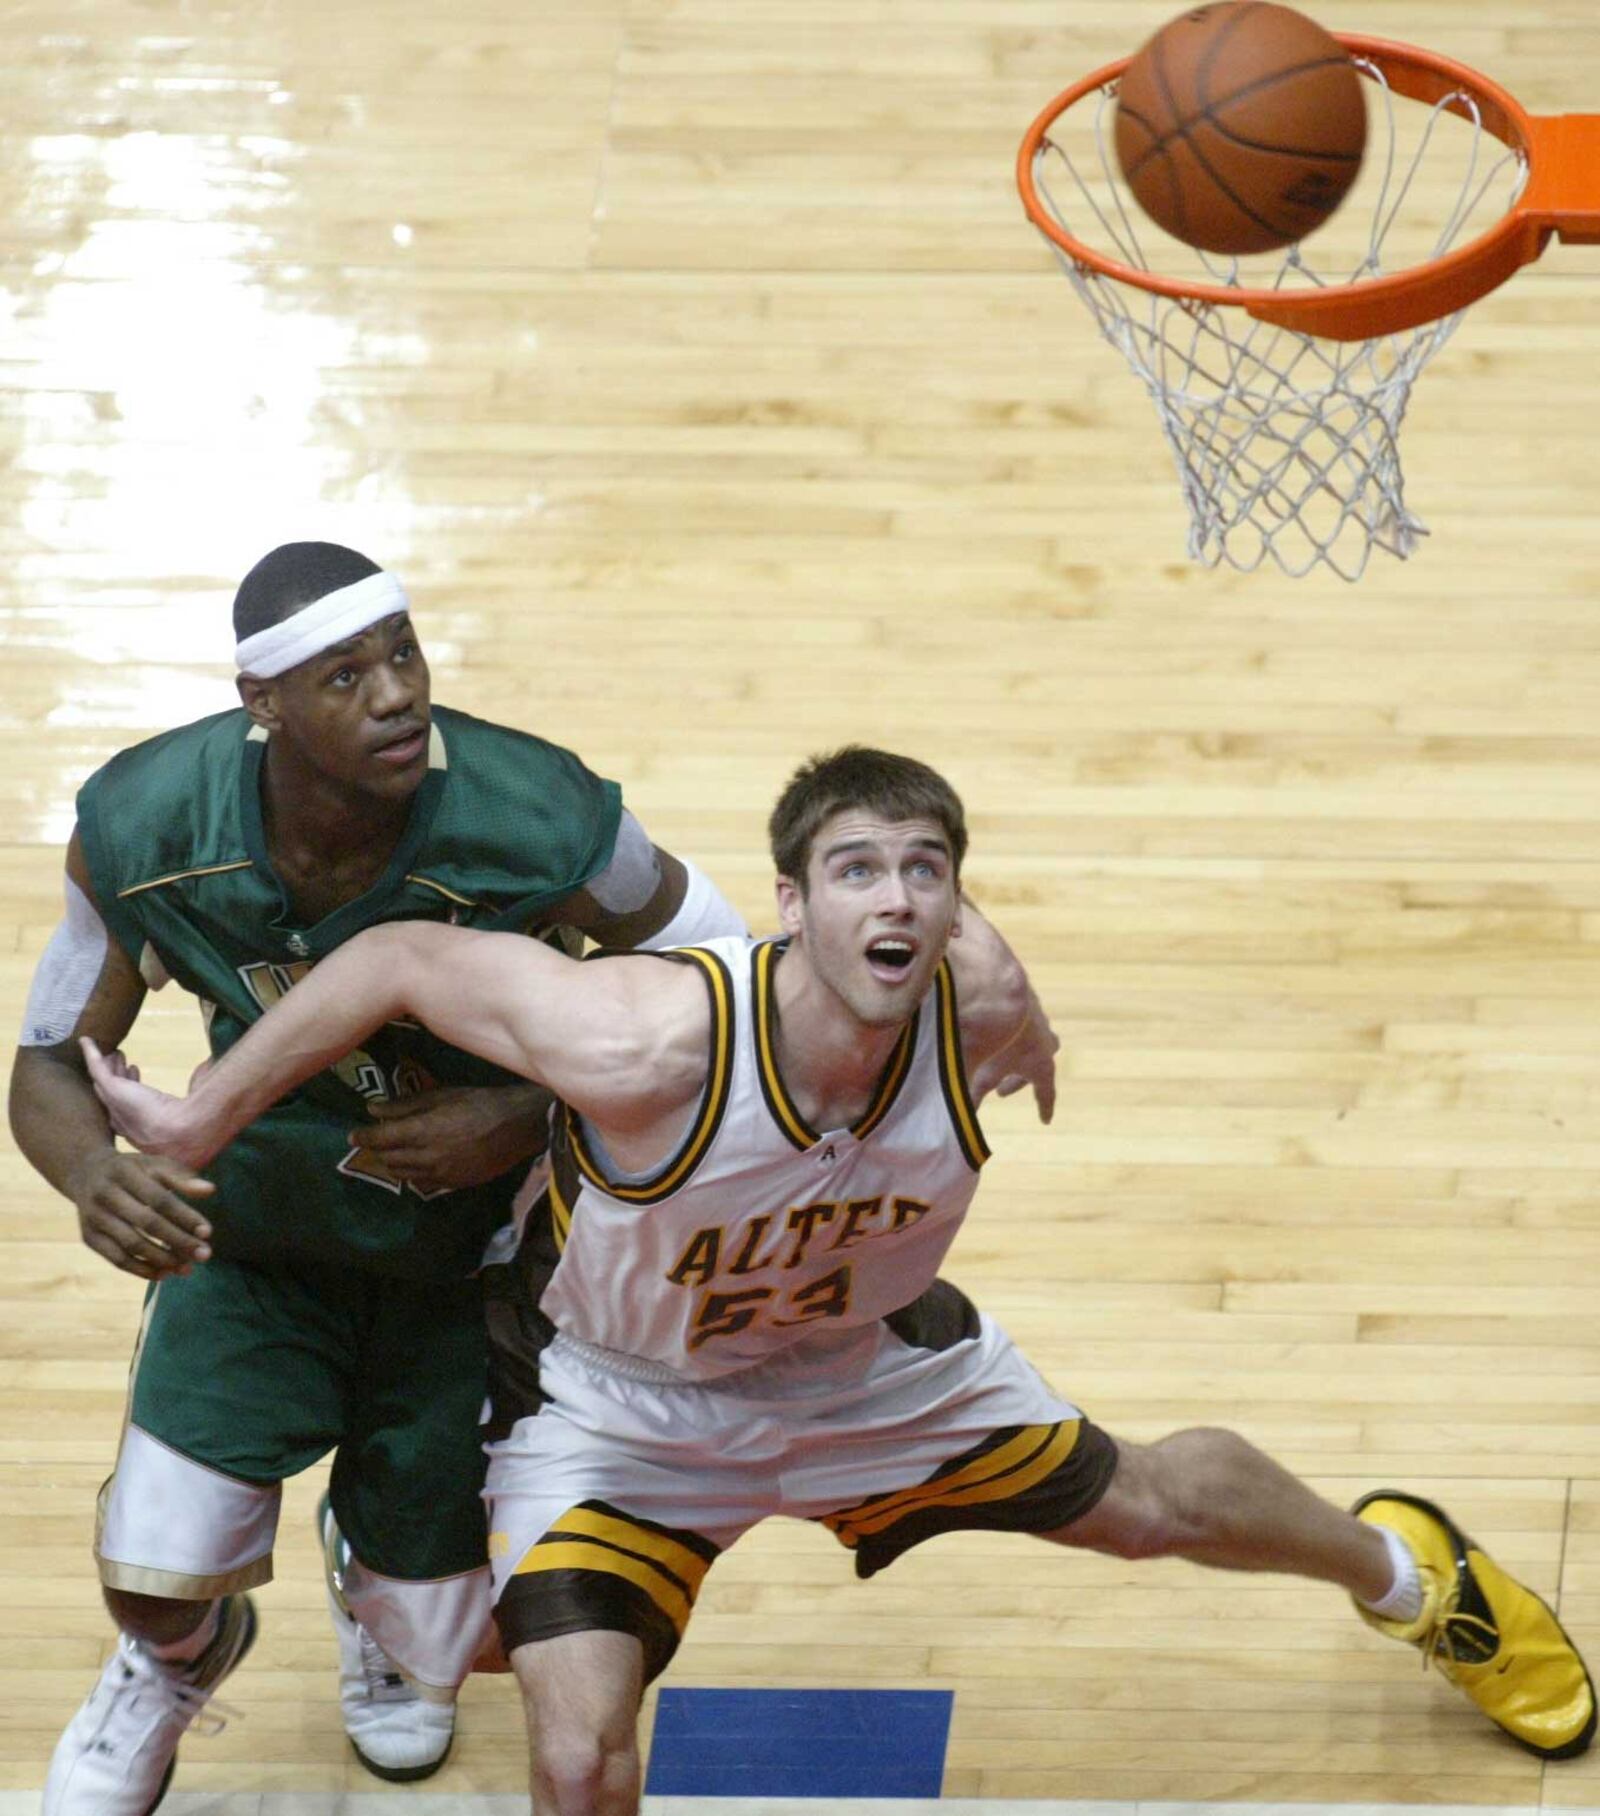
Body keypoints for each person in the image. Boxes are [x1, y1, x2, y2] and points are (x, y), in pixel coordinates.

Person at [86, 746, 1598, 1816]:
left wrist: (1024, 1013)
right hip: (628, 1415)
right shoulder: (649, 1039)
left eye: (926, 874)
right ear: (789, 903)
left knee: (1155, 1506)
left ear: (954, 905)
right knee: (566, 1747)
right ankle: (387, 1592)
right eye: (856, 871)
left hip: (866, 1370)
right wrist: (202, 1113)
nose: (895, 900)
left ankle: (1415, 1575)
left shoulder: (983, 1004)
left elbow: (986, 978)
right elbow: (405, 956)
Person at [8, 540, 749, 1812]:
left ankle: (372, 1576)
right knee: (151, 1574)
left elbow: (726, 975)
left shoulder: (543, 809)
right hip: (255, 1240)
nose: (396, 692)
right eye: (344, 675)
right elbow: (47, 1061)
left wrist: (526, 1110)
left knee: (444, 1645)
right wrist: (90, 1177)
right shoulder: (144, 821)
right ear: (265, 706)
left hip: (479, 1260)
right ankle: (172, 1668)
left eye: (401, 652)